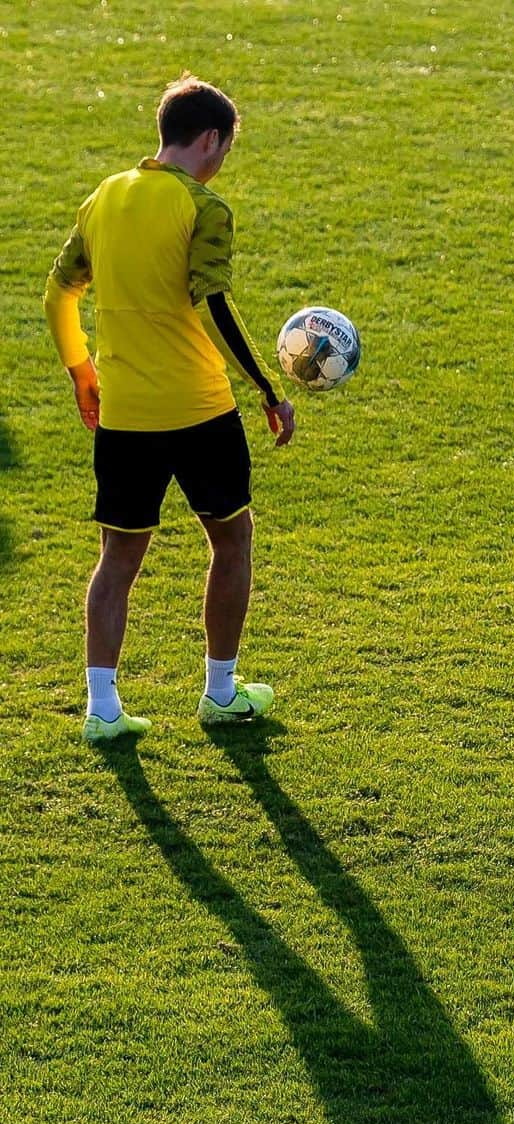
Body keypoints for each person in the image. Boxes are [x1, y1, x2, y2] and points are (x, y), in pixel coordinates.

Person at [43, 73, 295, 743]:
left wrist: (81, 372)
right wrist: (269, 390)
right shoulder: (203, 207)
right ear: (211, 139)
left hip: (124, 414)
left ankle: (102, 710)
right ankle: (220, 694)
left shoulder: (105, 198)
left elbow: (58, 293)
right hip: (199, 411)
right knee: (232, 540)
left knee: (117, 558)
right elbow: (213, 303)